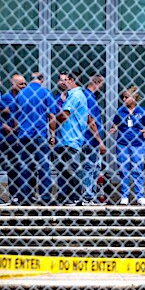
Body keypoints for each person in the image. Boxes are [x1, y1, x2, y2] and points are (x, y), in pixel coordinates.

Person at [55, 72, 106, 206]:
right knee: (66, 170)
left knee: (73, 169)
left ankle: (75, 198)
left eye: (66, 80)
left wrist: (50, 120)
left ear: (71, 80)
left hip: (70, 137)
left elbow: (64, 115)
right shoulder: (77, 95)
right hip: (68, 138)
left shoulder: (76, 95)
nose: (63, 83)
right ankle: (69, 197)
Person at [15, 72, 58, 205]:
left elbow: (16, 117)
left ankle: (25, 196)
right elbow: (52, 116)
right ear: (42, 80)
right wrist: (53, 135)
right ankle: (45, 197)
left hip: (23, 135)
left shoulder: (21, 94)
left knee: (25, 166)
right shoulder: (45, 93)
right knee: (43, 166)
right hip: (40, 134)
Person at [109, 86, 145, 206]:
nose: (124, 99)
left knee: (137, 169)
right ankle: (124, 195)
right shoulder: (120, 111)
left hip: (138, 144)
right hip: (122, 143)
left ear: (134, 98)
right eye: (123, 97)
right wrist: (114, 128)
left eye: (126, 97)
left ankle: (140, 196)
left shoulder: (142, 111)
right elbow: (115, 124)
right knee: (124, 169)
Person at [1, 74, 27, 205]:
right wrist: (3, 125)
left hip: (25, 138)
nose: (24, 86)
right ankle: (15, 195)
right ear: (13, 84)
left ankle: (27, 195)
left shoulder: (27, 98)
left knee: (27, 167)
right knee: (13, 167)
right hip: (9, 139)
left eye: (25, 84)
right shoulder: (5, 98)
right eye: (21, 84)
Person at [81, 74, 105, 205]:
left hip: (91, 139)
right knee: (90, 167)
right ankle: (88, 196)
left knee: (96, 167)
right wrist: (100, 141)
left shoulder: (90, 97)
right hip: (91, 139)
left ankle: (91, 194)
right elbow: (91, 121)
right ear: (97, 83)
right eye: (101, 84)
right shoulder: (89, 98)